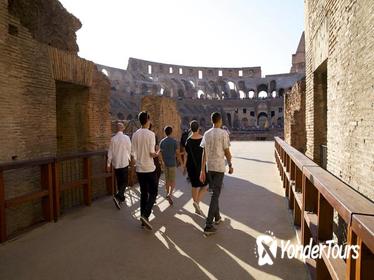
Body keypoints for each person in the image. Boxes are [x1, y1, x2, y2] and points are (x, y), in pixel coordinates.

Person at [200, 112, 234, 236]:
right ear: (220, 121)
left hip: (210, 167)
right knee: (215, 194)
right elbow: (227, 151)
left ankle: (217, 217)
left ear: (211, 121)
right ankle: (208, 225)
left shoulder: (206, 133)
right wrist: (230, 165)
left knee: (214, 192)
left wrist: (202, 169)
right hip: (219, 167)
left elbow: (204, 153)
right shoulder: (223, 133)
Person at [131, 111, 158, 230]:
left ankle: (143, 221)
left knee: (143, 194)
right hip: (149, 168)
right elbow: (152, 154)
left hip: (139, 168)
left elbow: (133, 154)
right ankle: (145, 215)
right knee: (153, 193)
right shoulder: (151, 134)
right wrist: (157, 153)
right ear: (147, 120)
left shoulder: (135, 134)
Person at [183, 120, 208, 216]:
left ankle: (196, 204)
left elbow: (186, 155)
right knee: (205, 186)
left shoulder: (188, 141)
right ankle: (197, 203)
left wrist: (184, 167)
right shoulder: (203, 139)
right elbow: (206, 154)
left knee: (194, 185)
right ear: (198, 128)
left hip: (191, 166)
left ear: (191, 129)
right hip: (202, 165)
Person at [107, 122, 132, 209]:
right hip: (124, 162)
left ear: (116, 129)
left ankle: (121, 198)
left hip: (116, 163)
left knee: (119, 181)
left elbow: (110, 151)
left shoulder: (113, 139)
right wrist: (129, 158)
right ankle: (118, 196)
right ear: (123, 128)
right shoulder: (127, 138)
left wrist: (108, 163)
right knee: (125, 181)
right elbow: (129, 149)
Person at [159, 126, 181, 205]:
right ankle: (170, 194)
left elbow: (160, 153)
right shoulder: (174, 141)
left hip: (166, 163)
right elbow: (177, 153)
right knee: (173, 180)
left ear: (165, 132)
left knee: (167, 180)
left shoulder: (162, 141)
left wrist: (162, 162)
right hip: (172, 163)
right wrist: (181, 162)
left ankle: (167, 193)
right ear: (171, 132)